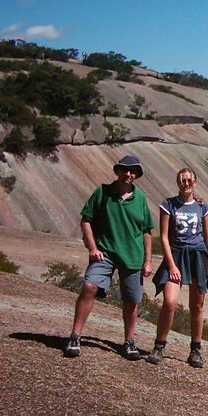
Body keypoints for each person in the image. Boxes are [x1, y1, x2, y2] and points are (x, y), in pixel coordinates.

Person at [63, 154, 154, 360]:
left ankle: (129, 342)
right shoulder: (102, 192)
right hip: (106, 253)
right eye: (125, 170)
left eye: (133, 171)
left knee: (131, 300)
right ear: (118, 171)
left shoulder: (140, 198)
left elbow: (147, 230)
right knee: (89, 287)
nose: (129, 174)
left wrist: (148, 260)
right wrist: (92, 247)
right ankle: (75, 336)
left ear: (136, 175)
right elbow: (86, 220)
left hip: (132, 255)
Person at [148, 167, 208, 368]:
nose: (185, 183)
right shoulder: (168, 204)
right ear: (178, 183)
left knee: (197, 306)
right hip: (176, 256)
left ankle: (195, 350)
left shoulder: (203, 207)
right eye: (182, 180)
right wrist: (171, 265)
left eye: (189, 180)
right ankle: (159, 346)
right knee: (169, 303)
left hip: (198, 257)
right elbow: (163, 237)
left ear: (195, 182)